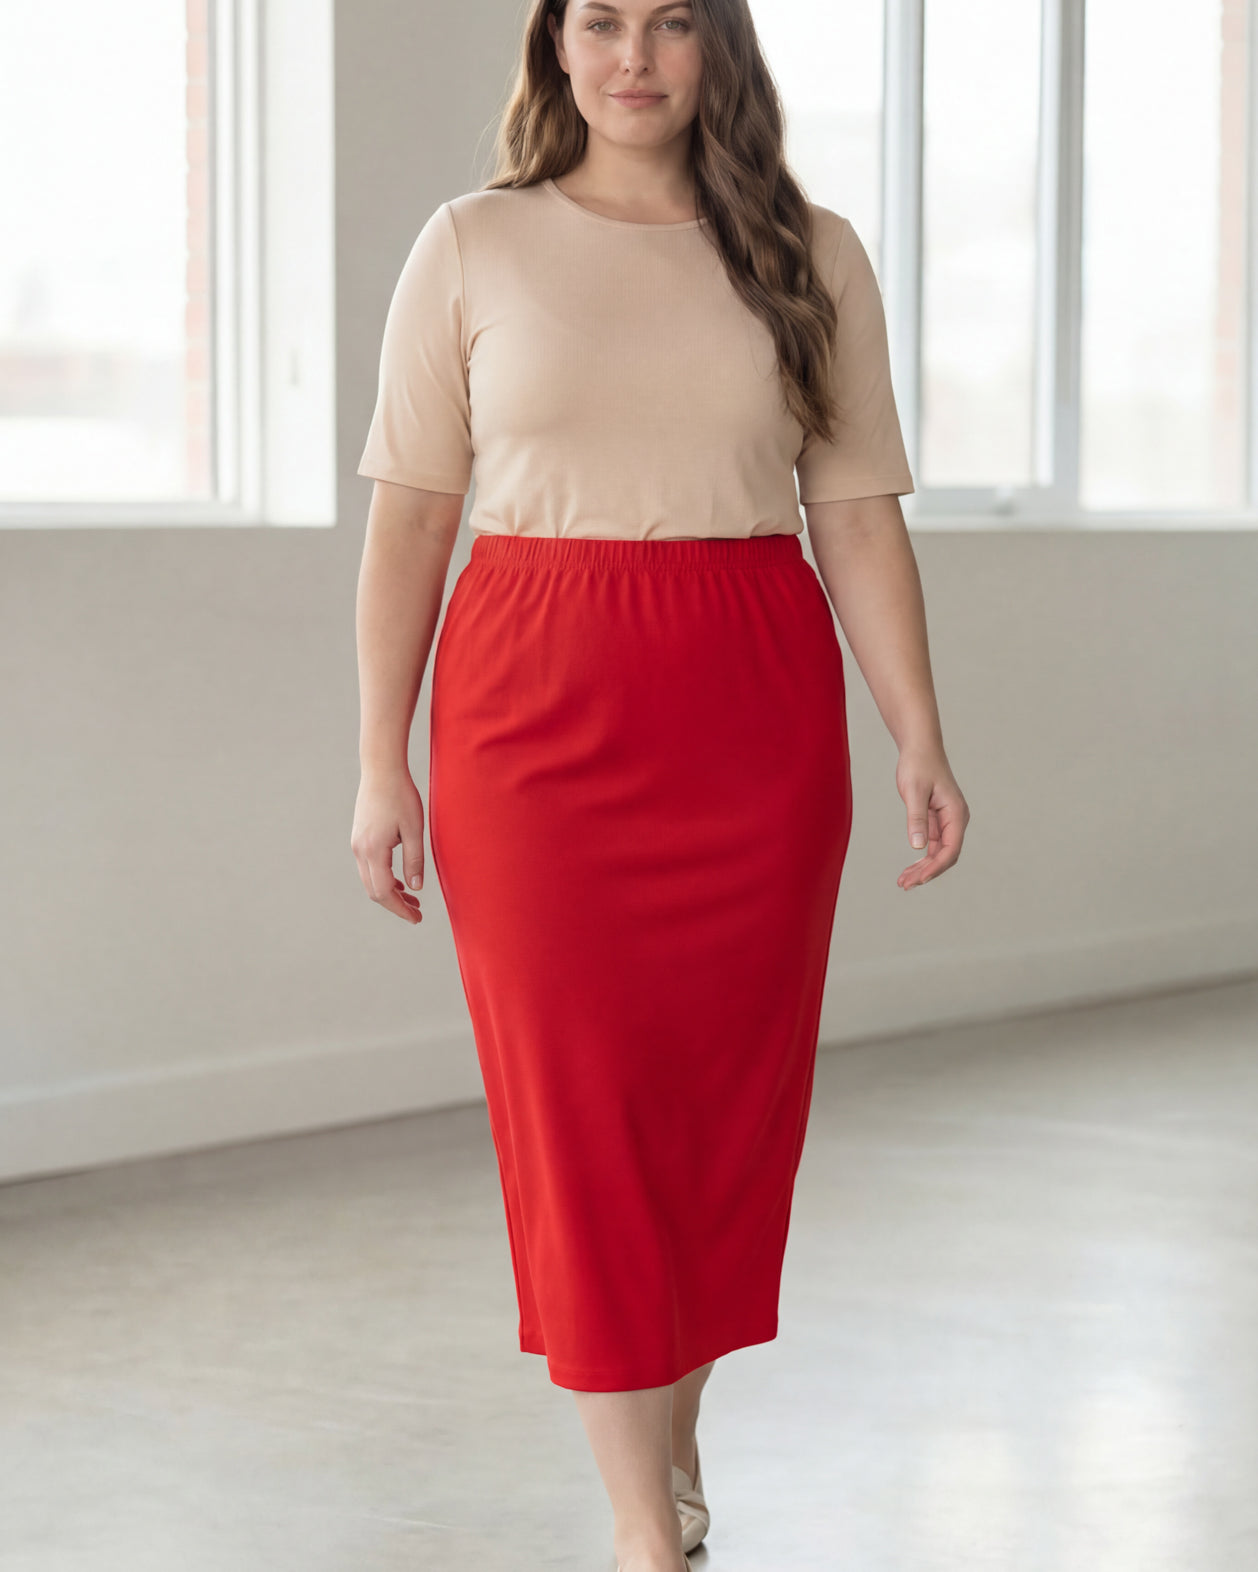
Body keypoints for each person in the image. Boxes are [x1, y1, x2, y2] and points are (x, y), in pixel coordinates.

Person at [350, 1, 970, 1567]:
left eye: (672, 22)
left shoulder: (809, 253)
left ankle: (667, 1441)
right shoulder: (472, 244)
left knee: (716, 1121)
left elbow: (856, 517)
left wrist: (916, 731)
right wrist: (377, 762)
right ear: (555, 49)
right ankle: (647, 1527)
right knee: (583, 1117)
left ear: (716, 50)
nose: (635, 55)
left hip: (750, 703)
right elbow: (411, 519)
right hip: (530, 708)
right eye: (603, 21)